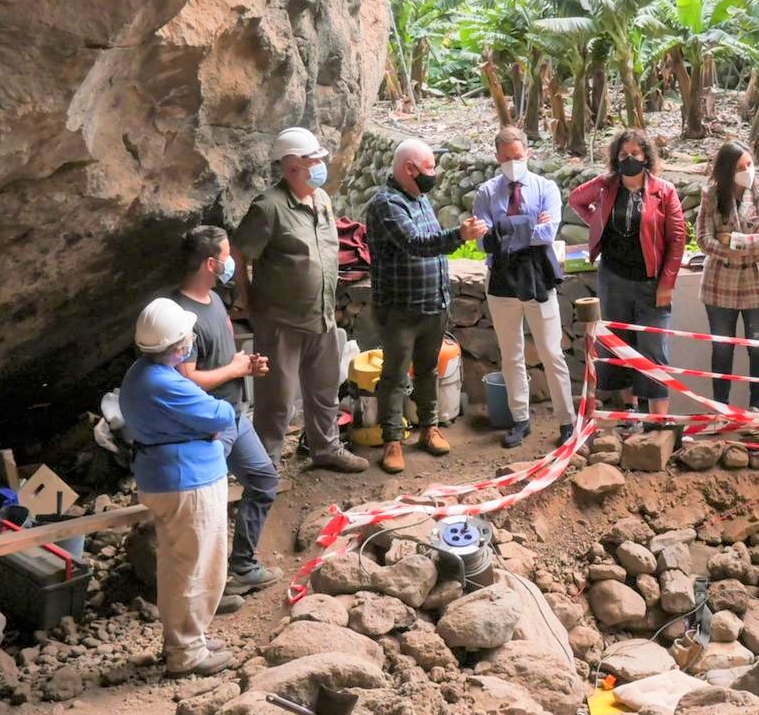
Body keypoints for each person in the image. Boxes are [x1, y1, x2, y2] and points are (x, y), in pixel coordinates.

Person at [232, 127, 368, 473]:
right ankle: (267, 465)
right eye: (315, 161)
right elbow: (240, 252)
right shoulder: (268, 208)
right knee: (276, 400)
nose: (322, 165)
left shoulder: (320, 198)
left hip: (321, 315)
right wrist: (244, 297)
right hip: (280, 322)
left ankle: (326, 449)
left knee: (324, 389)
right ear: (293, 167)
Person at [119, 299, 238, 678]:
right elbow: (221, 414)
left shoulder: (140, 374)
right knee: (195, 567)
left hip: (168, 478)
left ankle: (189, 638)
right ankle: (186, 652)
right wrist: (206, 425)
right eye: (186, 339)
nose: (189, 343)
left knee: (178, 565)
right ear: (175, 347)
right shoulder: (165, 383)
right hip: (188, 482)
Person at [365, 137, 488, 474]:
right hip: (400, 309)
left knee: (427, 370)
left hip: (433, 304)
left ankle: (428, 429)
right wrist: (459, 236)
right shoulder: (386, 204)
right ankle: (393, 440)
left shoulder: (419, 200)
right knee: (393, 376)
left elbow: (429, 247)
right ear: (410, 168)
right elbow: (416, 244)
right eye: (429, 167)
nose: (434, 174)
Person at [173, 226, 282, 602]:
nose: (231, 260)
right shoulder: (180, 316)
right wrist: (235, 371)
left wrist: (245, 365)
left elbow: (222, 359)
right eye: (225, 255)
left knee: (264, 481)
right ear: (209, 263)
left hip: (234, 416)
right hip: (208, 428)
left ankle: (243, 567)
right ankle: (204, 590)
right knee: (206, 507)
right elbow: (186, 380)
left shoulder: (215, 300)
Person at [568, 129, 687, 428]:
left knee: (653, 348)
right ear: (615, 158)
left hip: (650, 282)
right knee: (619, 345)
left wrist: (666, 284)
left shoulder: (664, 191)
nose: (630, 158)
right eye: (623, 154)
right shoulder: (608, 188)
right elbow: (576, 199)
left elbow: (677, 240)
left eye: (636, 153)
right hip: (613, 278)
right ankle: (630, 412)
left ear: (647, 156)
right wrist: (599, 215)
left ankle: (658, 419)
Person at [473, 127, 575, 449]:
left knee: (551, 351)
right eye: (505, 159)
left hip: (538, 277)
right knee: (511, 354)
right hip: (501, 280)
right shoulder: (486, 193)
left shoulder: (546, 188)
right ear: (496, 158)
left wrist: (505, 231)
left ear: (528, 153)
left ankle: (566, 420)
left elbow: (547, 233)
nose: (512, 164)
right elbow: (483, 242)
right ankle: (520, 420)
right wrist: (528, 225)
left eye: (517, 158)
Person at [696, 141, 759, 413]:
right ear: (726, 171)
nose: (747, 171)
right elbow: (703, 239)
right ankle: (721, 408)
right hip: (720, 282)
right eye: (740, 167)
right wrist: (744, 246)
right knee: (722, 348)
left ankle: (757, 408)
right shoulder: (710, 195)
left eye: (749, 165)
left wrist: (732, 241)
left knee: (758, 347)